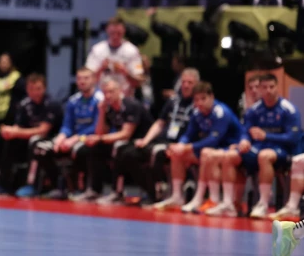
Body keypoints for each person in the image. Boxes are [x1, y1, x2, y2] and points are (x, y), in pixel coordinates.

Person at [213, 73, 302, 218]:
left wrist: (266, 136)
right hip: (258, 149)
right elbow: (245, 131)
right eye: (264, 87)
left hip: (282, 151)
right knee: (229, 156)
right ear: (260, 89)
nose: (268, 91)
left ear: (277, 87)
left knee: (264, 156)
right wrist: (244, 141)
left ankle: (263, 204)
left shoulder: (288, 109)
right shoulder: (254, 110)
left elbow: (293, 138)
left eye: (271, 87)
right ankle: (229, 204)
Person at [153, 81, 243, 212]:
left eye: (203, 99)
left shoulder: (220, 112)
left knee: (206, 153)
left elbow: (213, 140)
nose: (199, 103)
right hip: (213, 149)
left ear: (211, 97)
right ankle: (177, 196)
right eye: (196, 100)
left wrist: (187, 147)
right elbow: (188, 134)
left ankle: (208, 199)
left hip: (231, 148)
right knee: (177, 154)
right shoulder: (197, 113)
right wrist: (180, 145)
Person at [71, 75, 152, 204]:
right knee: (93, 147)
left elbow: (126, 134)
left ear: (120, 91)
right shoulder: (108, 108)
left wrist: (100, 138)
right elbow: (100, 132)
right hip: (125, 142)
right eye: (105, 93)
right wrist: (101, 111)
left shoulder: (131, 105)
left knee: (118, 149)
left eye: (111, 91)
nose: (108, 95)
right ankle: (94, 190)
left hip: (143, 141)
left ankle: (117, 192)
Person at [24, 67, 102, 199]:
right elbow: (67, 125)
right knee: (42, 148)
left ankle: (81, 189)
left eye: (86, 78)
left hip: (89, 138)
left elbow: (97, 127)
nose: (82, 81)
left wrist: (75, 138)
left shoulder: (100, 99)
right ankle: (58, 187)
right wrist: (61, 138)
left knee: (79, 150)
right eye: (79, 78)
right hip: (71, 139)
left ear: (94, 80)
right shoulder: (73, 100)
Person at [125, 68, 199, 204]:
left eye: (190, 83)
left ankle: (157, 194)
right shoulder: (173, 100)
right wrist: (146, 140)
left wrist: (183, 146)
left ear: (196, 85)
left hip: (182, 144)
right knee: (129, 153)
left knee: (157, 152)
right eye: (183, 82)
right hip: (164, 140)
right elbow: (160, 123)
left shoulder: (198, 104)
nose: (186, 85)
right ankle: (148, 189)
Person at [0, 73, 62, 196]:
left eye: (38, 89)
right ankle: (1, 183)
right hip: (27, 138)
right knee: (7, 140)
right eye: (31, 89)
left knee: (35, 141)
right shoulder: (24, 104)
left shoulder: (52, 104)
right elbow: (18, 126)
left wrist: (17, 132)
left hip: (50, 139)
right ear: (26, 89)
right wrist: (10, 131)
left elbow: (43, 130)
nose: (35, 92)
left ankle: (31, 185)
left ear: (44, 88)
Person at [84, 17, 145, 95]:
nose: (115, 36)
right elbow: (86, 80)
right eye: (112, 33)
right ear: (107, 31)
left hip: (124, 96)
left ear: (124, 31)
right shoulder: (97, 50)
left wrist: (125, 72)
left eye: (119, 33)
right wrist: (101, 69)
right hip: (101, 96)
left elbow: (139, 82)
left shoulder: (132, 51)